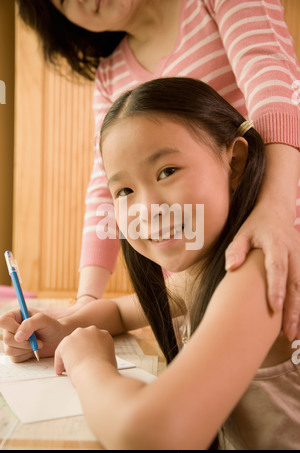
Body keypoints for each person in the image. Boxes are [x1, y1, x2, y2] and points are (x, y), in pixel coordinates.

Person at [1, 78, 300, 450]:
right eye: (124, 191)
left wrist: (88, 365)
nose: (145, 209)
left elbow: (148, 436)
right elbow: (126, 312)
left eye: (167, 172)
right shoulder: (204, 269)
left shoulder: (255, 270)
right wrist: (64, 328)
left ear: (234, 162)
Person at [16, 0, 300, 340]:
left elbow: (275, 86)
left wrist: (275, 210)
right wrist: (85, 303)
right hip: (206, 263)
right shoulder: (109, 75)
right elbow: (104, 184)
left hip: (277, 232)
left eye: (167, 172)